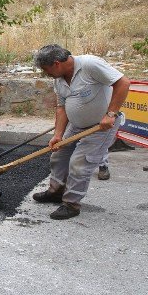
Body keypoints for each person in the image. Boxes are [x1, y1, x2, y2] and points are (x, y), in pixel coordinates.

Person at [32, 44, 130, 220]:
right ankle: (56, 191)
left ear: (56, 63)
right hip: (76, 126)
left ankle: (71, 204)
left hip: (100, 127)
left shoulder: (90, 65)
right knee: (58, 155)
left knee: (80, 162)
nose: (47, 75)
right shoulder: (59, 78)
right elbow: (61, 108)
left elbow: (123, 83)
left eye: (47, 71)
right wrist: (58, 135)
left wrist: (111, 114)